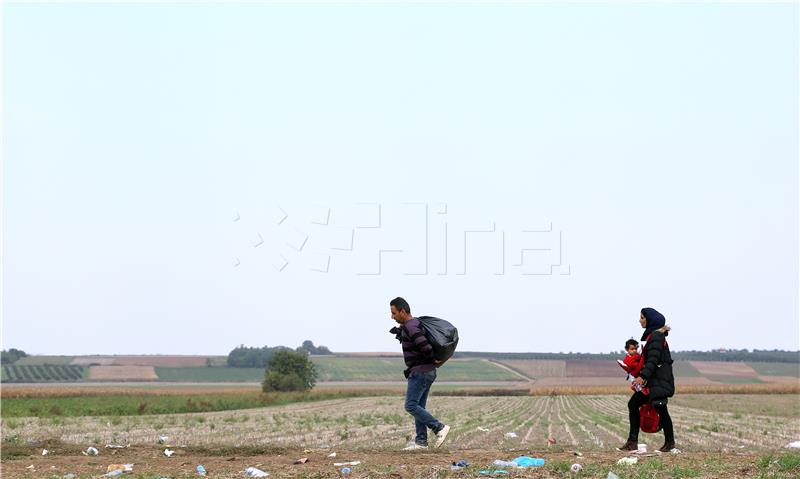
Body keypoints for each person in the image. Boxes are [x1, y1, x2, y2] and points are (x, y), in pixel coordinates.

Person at [389, 297, 451, 450]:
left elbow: (424, 345)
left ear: (403, 311)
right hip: (426, 371)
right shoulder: (413, 324)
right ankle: (421, 441)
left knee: (410, 406)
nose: (392, 316)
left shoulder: (411, 326)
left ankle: (439, 427)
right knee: (419, 407)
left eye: (394, 313)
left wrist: (433, 359)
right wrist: (400, 333)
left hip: (420, 371)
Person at [618, 307, 677, 453]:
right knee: (634, 404)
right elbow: (649, 361)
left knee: (661, 409)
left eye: (642, 318)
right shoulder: (653, 336)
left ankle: (669, 443)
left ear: (650, 320)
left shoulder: (656, 337)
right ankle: (633, 442)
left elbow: (653, 360)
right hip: (652, 381)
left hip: (659, 381)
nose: (640, 320)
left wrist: (642, 376)